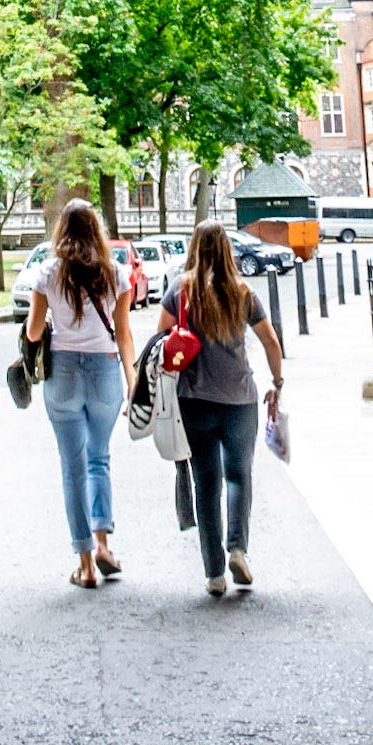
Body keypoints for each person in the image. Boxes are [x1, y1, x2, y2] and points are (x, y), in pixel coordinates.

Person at [158, 220, 284, 596]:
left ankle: (214, 574)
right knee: (239, 476)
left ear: (195, 248)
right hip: (240, 400)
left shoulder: (181, 290)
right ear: (228, 249)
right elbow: (271, 341)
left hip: (193, 401)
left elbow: (160, 337)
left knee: (206, 484)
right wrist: (276, 383)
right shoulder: (242, 291)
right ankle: (238, 548)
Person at [24, 198, 136, 588]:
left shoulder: (47, 273)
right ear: (96, 231)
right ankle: (103, 543)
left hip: (65, 373)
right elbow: (123, 333)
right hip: (105, 371)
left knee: (73, 469)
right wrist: (132, 377)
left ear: (62, 231)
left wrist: (46, 314)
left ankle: (86, 565)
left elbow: (35, 333)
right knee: (99, 459)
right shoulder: (116, 273)